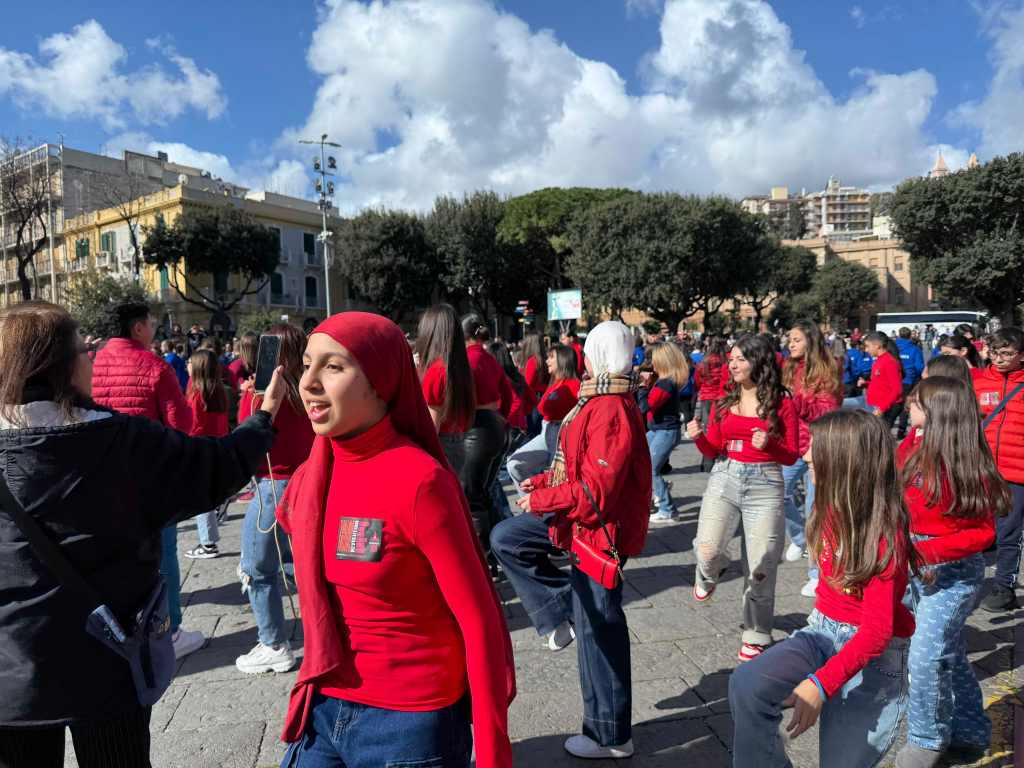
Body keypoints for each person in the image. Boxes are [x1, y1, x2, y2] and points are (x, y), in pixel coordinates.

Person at [0, 302, 282, 768]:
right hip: (109, 662)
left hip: (11, 676)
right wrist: (265, 415)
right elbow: (216, 468)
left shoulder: (120, 435)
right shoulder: (124, 440)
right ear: (66, 366)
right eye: (84, 351)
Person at [274, 312, 515, 768]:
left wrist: (493, 752)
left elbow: (479, 621)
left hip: (409, 726)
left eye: (333, 366)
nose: (307, 383)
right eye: (307, 364)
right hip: (323, 705)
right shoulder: (312, 474)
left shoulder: (421, 482)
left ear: (380, 381)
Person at [491, 321, 651, 759]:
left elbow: (596, 491)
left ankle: (610, 735)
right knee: (507, 538)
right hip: (584, 526)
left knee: (601, 632)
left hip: (598, 532)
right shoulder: (599, 399)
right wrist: (542, 483)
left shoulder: (610, 407)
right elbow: (576, 468)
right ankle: (561, 615)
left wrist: (543, 495)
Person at [728, 410, 915, 768]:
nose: (806, 455)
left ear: (846, 462)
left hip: (873, 660)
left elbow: (876, 632)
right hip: (821, 633)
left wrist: (820, 684)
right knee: (747, 684)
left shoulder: (882, 535)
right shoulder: (829, 506)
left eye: (816, 447)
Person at [894, 377, 1008, 767]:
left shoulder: (966, 463)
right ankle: (971, 730)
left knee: (926, 657)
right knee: (949, 652)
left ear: (940, 411)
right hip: (913, 566)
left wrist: (927, 550)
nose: (909, 403)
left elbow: (985, 533)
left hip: (953, 575)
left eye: (918, 401)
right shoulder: (911, 445)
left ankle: (926, 740)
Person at [91, 301, 204, 659]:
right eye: (151, 322)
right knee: (163, 553)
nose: (155, 327)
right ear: (138, 328)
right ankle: (168, 630)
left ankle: (123, 627)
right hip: (152, 479)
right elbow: (181, 426)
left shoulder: (90, 366)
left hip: (104, 479)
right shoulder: (154, 366)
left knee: (116, 554)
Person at [688, 334, 799, 661]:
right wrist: (697, 438)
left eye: (740, 359)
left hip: (766, 483)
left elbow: (792, 454)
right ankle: (710, 571)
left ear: (759, 362)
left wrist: (770, 445)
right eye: (731, 359)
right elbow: (713, 448)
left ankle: (757, 633)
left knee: (762, 564)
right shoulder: (725, 399)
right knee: (707, 549)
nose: (732, 365)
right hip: (726, 474)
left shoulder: (782, 402)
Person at [235, 323, 316, 674]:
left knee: (257, 567)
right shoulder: (312, 389)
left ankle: (272, 643)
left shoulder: (260, 396)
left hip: (274, 485)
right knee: (305, 564)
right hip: (309, 480)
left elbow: (244, 439)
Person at [781, 322, 843, 602]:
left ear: (810, 341)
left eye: (796, 339)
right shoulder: (788, 367)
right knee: (776, 492)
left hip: (819, 446)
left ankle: (817, 575)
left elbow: (829, 410)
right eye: (789, 340)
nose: (790, 344)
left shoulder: (827, 369)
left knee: (816, 511)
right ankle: (798, 539)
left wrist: (797, 404)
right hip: (792, 443)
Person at [973, 327, 1024, 612]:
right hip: (982, 470)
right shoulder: (978, 382)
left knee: (1009, 533)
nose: (1000, 359)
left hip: (1017, 473)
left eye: (1007, 353)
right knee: (978, 527)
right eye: (994, 352)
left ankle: (1004, 587)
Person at [461, 314, 513, 554]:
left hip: (477, 428)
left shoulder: (464, 361)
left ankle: (483, 556)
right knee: (484, 492)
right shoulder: (489, 359)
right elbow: (508, 393)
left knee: (473, 496)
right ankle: (496, 550)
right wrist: (501, 416)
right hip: (495, 426)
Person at [506, 343, 580, 494]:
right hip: (546, 432)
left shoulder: (575, 385)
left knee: (557, 480)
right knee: (514, 463)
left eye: (551, 357)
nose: (547, 361)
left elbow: (549, 408)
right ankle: (532, 505)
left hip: (561, 434)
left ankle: (543, 507)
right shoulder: (555, 383)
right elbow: (541, 407)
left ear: (563, 360)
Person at [415, 304, 476, 474]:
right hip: (457, 441)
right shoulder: (456, 367)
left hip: (441, 445)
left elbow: (432, 426)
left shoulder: (436, 371)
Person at [182, 349, 231, 560]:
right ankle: (220, 506)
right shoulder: (218, 389)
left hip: (200, 449)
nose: (187, 365)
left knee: (202, 499)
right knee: (209, 495)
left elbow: (194, 425)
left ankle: (208, 543)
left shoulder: (195, 391)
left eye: (190, 363)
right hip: (219, 446)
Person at [640, 342, 690, 522]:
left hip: (665, 432)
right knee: (642, 464)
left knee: (652, 469)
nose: (649, 362)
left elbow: (646, 406)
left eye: (652, 359)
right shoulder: (662, 382)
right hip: (658, 430)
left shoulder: (665, 384)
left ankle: (668, 510)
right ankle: (661, 490)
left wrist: (643, 386)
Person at [859, 331, 904, 427]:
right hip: (874, 405)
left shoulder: (889, 362)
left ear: (877, 346)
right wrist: (866, 383)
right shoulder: (879, 360)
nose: (866, 350)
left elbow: (897, 390)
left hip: (882, 408)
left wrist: (882, 408)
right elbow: (881, 382)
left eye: (868, 346)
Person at [895, 327, 926, 439]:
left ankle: (884, 427)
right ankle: (901, 430)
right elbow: (919, 367)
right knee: (906, 405)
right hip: (909, 380)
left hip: (894, 380)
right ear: (910, 336)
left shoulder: (893, 347)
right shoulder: (915, 349)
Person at [521, 333, 549, 438]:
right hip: (541, 398)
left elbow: (528, 385)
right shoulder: (543, 360)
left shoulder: (532, 362)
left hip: (533, 402)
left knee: (532, 434)